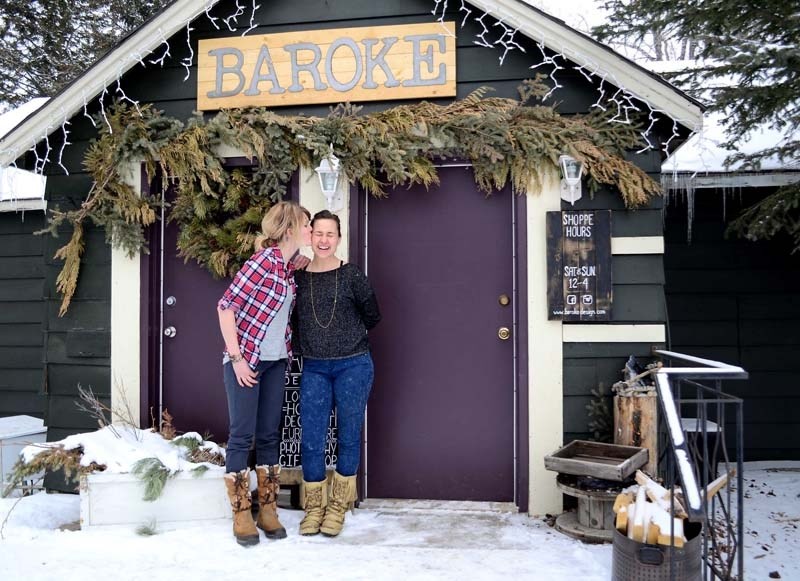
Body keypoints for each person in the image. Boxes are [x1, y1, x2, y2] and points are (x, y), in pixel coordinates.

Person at [216, 200, 312, 547]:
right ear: (289, 230)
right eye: (306, 224)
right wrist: (237, 358)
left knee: (271, 434)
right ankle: (241, 513)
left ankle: (267, 509)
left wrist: (306, 254)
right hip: (248, 359)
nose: (310, 230)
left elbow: (308, 257)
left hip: (276, 361)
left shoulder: (288, 264)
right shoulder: (262, 263)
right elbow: (225, 307)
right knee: (242, 436)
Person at [294, 209, 381, 537]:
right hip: (314, 366)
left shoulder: (352, 275)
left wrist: (345, 335)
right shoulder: (299, 277)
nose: (324, 240)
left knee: (347, 435)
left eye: (331, 234)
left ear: (339, 238)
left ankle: (338, 507)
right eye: (318, 233)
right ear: (310, 236)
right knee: (312, 439)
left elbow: (373, 316)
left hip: (353, 365)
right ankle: (314, 507)